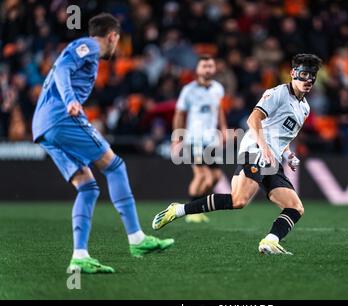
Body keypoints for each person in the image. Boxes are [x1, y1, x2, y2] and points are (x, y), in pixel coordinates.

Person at [32, 13, 174, 273]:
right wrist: (70, 100)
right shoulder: (88, 46)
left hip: (43, 126)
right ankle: (137, 239)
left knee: (87, 187)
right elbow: (63, 70)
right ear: (112, 36)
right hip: (60, 117)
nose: (116, 45)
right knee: (115, 166)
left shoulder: (86, 52)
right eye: (117, 40)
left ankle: (79, 256)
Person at [153, 53, 322, 255]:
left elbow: (280, 135)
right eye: (304, 74)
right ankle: (178, 210)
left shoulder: (304, 107)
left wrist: (288, 155)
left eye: (312, 76)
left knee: (295, 207)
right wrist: (264, 147)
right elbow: (253, 120)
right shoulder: (278, 93)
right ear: (293, 73)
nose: (308, 80)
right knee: (239, 200)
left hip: (272, 158)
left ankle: (270, 241)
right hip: (256, 150)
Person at [172, 55, 228, 223]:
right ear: (197, 69)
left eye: (210, 66)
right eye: (204, 66)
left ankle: (196, 208)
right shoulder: (188, 90)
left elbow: (219, 110)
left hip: (211, 140)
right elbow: (179, 114)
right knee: (203, 176)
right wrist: (177, 137)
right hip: (194, 139)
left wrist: (223, 128)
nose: (208, 69)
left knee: (216, 177)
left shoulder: (218, 88)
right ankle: (191, 212)